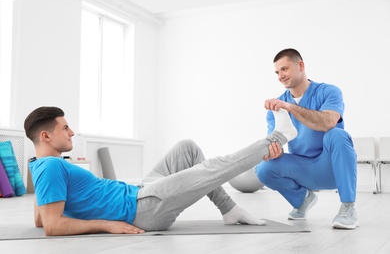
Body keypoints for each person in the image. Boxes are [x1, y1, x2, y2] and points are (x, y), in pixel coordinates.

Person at [24, 106, 297, 236]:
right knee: (213, 168)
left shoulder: (39, 165)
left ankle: (228, 209)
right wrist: (106, 225)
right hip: (143, 210)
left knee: (186, 148)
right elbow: (52, 225)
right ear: (46, 136)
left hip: (139, 193)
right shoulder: (49, 166)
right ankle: (278, 137)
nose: (72, 132)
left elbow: (40, 220)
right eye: (65, 128)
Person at [255, 48, 358, 229]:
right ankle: (302, 200)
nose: (280, 76)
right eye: (277, 72)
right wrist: (274, 152)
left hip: (332, 168)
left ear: (300, 65)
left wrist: (291, 107)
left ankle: (348, 209)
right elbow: (274, 141)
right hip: (302, 169)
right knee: (263, 168)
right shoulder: (277, 107)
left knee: (337, 134)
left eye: (285, 69)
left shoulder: (329, 92)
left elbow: (329, 122)